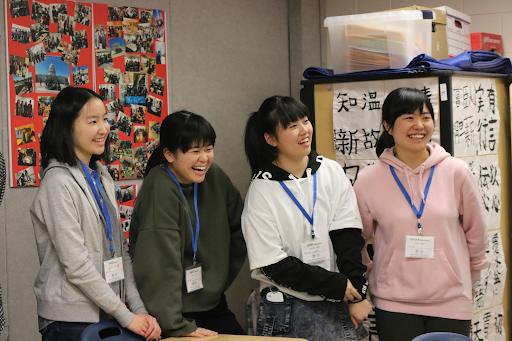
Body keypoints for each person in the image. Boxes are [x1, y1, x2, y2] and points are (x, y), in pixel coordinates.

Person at [352, 87, 489, 341]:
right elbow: (357, 238)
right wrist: (371, 274)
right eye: (408, 118)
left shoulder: (456, 171)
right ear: (388, 126)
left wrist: (467, 277)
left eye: (425, 117)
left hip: (451, 300)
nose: (419, 125)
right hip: (394, 301)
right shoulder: (369, 179)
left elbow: (476, 230)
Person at [30, 87, 161, 341]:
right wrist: (128, 317)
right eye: (93, 121)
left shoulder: (101, 175)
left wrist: (139, 311)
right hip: (69, 320)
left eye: (104, 119)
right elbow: (77, 266)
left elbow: (121, 252)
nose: (103, 129)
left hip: (108, 313)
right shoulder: (57, 183)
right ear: (67, 126)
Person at [242, 95, 372, 341]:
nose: (304, 130)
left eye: (305, 121)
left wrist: (357, 293)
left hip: (338, 300)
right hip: (286, 309)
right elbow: (273, 264)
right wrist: (338, 286)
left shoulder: (330, 171)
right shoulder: (261, 190)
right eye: (292, 126)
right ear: (271, 139)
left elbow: (347, 237)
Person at [129, 111, 247, 338]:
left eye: (208, 148)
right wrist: (175, 324)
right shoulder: (160, 190)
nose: (204, 158)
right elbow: (159, 268)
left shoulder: (214, 176)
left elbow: (241, 229)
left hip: (212, 303)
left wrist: (217, 279)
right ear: (169, 154)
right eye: (195, 151)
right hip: (171, 312)